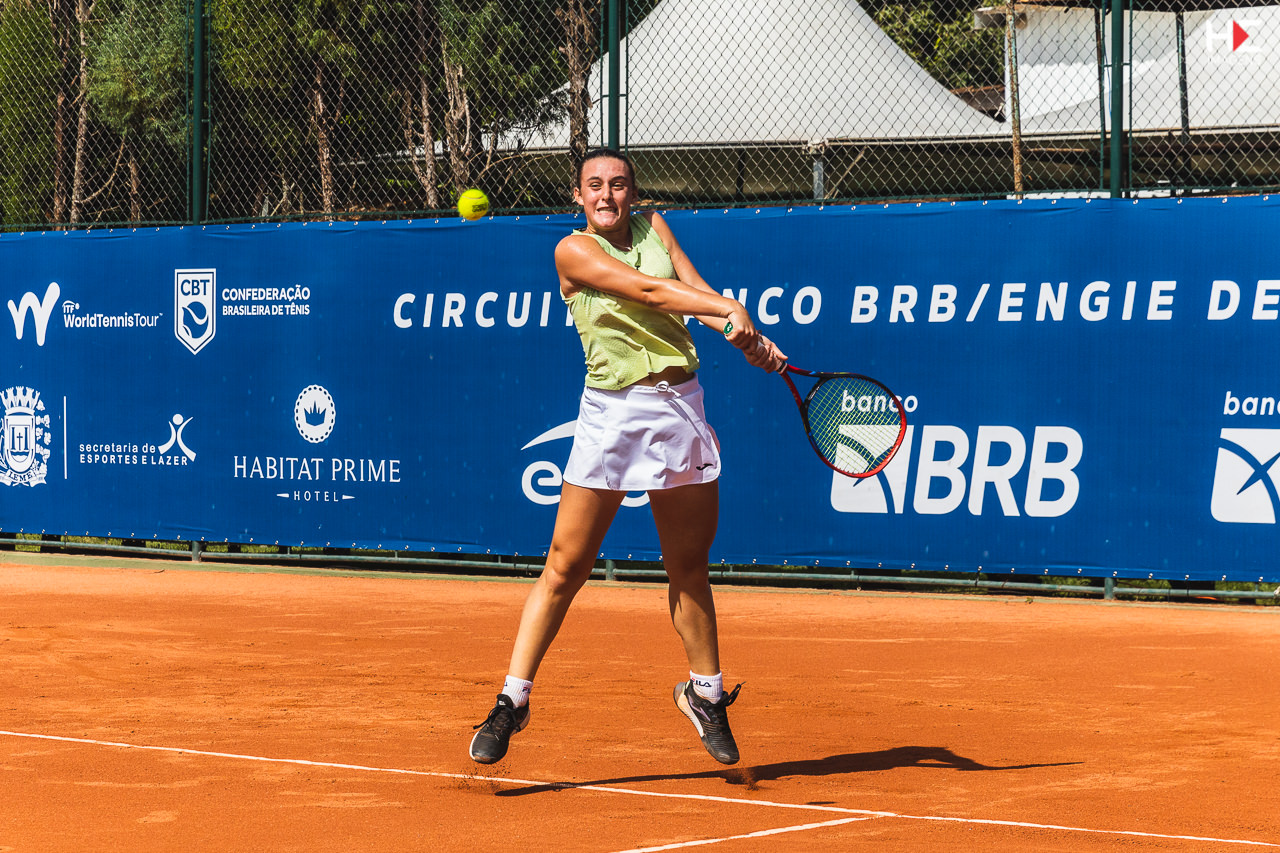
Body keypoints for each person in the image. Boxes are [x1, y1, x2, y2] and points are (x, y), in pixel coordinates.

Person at [469, 148, 785, 767]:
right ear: (578, 196)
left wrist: (744, 337)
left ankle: (706, 694)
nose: (607, 194)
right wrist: (728, 310)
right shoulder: (572, 251)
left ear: (633, 193)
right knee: (566, 565)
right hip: (611, 416)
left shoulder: (655, 226)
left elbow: (692, 291)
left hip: (680, 409)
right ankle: (512, 700)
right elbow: (647, 290)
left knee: (688, 566)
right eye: (594, 185)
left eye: (618, 184)